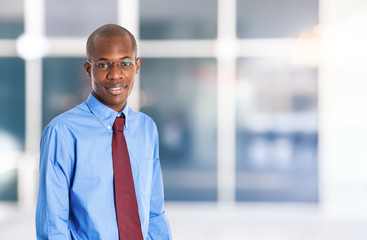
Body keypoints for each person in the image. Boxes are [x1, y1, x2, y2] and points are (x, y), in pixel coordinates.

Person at [36, 24, 172, 240]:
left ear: (137, 66)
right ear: (88, 69)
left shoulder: (146, 128)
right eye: (103, 64)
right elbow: (52, 224)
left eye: (125, 63)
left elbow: (154, 210)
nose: (115, 74)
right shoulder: (62, 133)